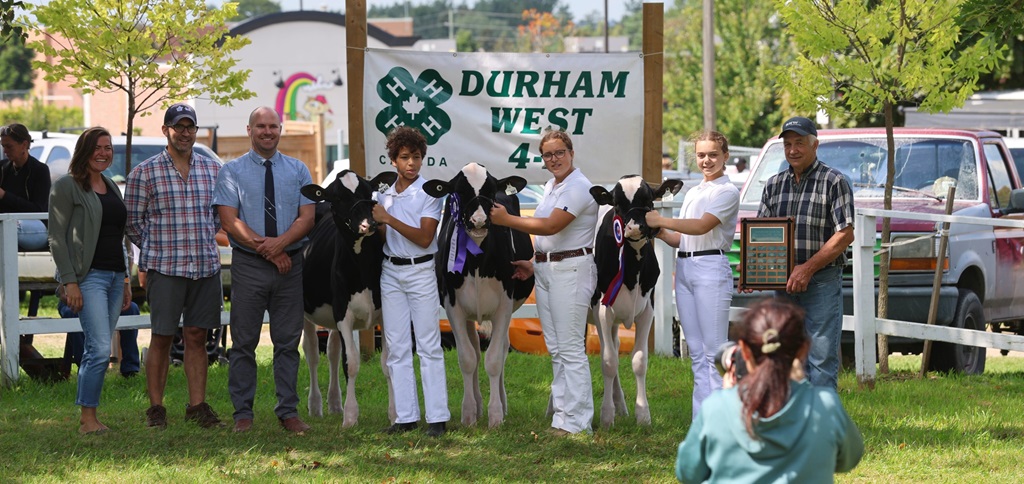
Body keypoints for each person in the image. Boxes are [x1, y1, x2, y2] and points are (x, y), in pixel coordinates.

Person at [675, 298, 864, 482]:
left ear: (745, 352)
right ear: (803, 349)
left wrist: (727, 396)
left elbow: (688, 472)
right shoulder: (826, 406)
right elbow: (849, 459)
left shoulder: (715, 408)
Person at [213, 106, 315, 434]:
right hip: (249, 266)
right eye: (261, 126)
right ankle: (243, 414)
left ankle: (288, 412)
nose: (267, 131)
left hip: (291, 266)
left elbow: (307, 218)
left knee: (288, 342)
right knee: (243, 343)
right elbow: (230, 222)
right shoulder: (231, 172)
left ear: (280, 129)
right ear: (249, 129)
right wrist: (271, 251)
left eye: (273, 126)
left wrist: (280, 246)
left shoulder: (298, 170)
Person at [491, 129, 599, 436]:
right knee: (556, 347)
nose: (554, 159)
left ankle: (577, 423)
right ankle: (562, 417)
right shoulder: (553, 186)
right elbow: (546, 235)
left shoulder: (580, 187)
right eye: (548, 155)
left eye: (559, 152)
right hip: (549, 269)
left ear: (571, 153)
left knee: (570, 348)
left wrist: (507, 220)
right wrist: (534, 261)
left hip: (572, 269)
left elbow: (552, 225)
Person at [125, 103, 225, 429]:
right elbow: (131, 223)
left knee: (197, 336)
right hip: (165, 268)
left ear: (196, 131)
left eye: (190, 127)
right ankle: (156, 409)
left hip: (204, 266)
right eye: (178, 127)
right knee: (162, 336)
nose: (184, 133)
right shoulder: (144, 172)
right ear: (165, 129)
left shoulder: (213, 171)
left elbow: (217, 218)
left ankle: (197, 406)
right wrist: (155, 248)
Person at [646, 130, 739, 419]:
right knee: (696, 352)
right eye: (701, 155)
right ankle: (702, 419)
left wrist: (662, 219)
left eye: (713, 154)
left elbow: (701, 227)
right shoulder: (695, 191)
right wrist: (659, 232)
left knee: (713, 351)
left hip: (711, 268)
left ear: (725, 156)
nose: (707, 160)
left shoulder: (727, 191)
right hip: (685, 266)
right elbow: (684, 239)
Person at [757, 116, 855, 389]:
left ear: (815, 145)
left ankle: (821, 426)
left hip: (821, 281)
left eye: (799, 143)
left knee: (821, 358)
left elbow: (845, 234)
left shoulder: (834, 181)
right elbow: (762, 234)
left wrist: (807, 268)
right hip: (782, 283)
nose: (793, 150)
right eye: (788, 144)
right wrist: (754, 269)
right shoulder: (774, 185)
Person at [47, 127, 132, 434]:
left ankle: (91, 415)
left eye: (108, 148)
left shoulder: (111, 185)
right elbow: (56, 237)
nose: (103, 152)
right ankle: (87, 419)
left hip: (113, 277)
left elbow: (119, 237)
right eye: (97, 147)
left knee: (99, 346)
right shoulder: (67, 187)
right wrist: (70, 282)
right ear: (84, 150)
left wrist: (124, 280)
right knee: (97, 349)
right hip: (88, 278)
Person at [371, 126, 450, 438]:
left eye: (416, 157)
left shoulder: (430, 193)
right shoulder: (382, 194)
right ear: (393, 160)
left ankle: (437, 417)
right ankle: (405, 417)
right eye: (405, 157)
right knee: (397, 346)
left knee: (429, 344)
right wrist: (374, 224)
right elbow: (381, 236)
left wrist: (387, 218)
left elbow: (425, 237)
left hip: (421, 271)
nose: (412, 163)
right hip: (390, 272)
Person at [60, 300, 141, 378]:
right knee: (71, 312)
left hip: (107, 299)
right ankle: (86, 367)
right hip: (80, 300)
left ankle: (130, 369)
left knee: (132, 308)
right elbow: (63, 293)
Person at [1, 123, 50, 250]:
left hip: (36, 228)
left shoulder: (40, 170)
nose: (5, 151)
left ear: (24, 144)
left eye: (9, 147)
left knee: (11, 227)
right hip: (6, 224)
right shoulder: (2, 168)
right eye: (3, 147)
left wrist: (5, 196)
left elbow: (39, 210)